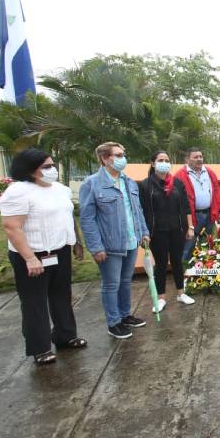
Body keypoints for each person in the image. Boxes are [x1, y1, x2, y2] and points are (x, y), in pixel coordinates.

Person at [0, 149, 87, 365]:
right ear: (30, 170)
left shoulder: (60, 189)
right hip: (32, 254)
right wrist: (30, 258)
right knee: (34, 302)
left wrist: (75, 241)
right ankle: (40, 347)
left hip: (60, 250)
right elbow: (11, 227)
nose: (52, 170)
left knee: (61, 296)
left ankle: (65, 336)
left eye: (52, 165)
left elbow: (67, 216)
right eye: (46, 167)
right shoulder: (18, 192)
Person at [80, 142, 151, 340]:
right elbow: (87, 219)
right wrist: (95, 246)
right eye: (118, 155)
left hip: (130, 241)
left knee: (125, 281)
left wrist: (143, 231)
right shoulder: (92, 184)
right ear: (104, 158)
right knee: (111, 284)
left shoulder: (128, 182)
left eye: (123, 154)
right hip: (109, 245)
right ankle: (114, 322)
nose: (122, 158)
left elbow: (137, 211)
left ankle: (125, 315)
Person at [138, 151, 196, 312]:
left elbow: (186, 207)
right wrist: (144, 233)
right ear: (153, 163)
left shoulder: (177, 183)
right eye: (160, 160)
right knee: (161, 264)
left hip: (177, 229)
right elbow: (141, 211)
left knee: (177, 261)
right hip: (157, 232)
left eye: (167, 160)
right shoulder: (145, 185)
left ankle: (181, 293)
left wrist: (190, 227)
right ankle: (161, 298)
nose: (164, 162)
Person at [175, 147, 220, 261]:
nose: (199, 159)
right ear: (187, 159)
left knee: (208, 246)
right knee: (188, 247)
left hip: (209, 215)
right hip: (191, 217)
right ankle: (184, 275)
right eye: (195, 157)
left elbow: (216, 192)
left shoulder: (210, 173)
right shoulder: (179, 175)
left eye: (201, 157)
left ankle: (204, 274)